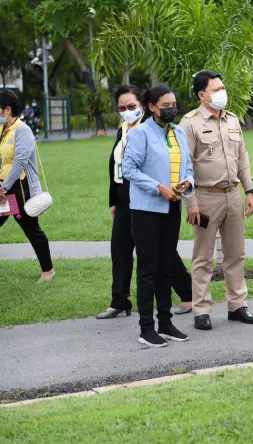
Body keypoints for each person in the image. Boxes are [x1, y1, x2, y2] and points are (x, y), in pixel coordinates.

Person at [98, 85, 193, 319]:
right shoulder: (124, 130)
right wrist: (113, 200)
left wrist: (179, 185)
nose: (127, 111)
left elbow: (181, 165)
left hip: (149, 197)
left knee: (160, 252)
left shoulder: (155, 130)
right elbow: (116, 167)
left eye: (131, 106)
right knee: (120, 249)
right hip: (125, 198)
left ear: (144, 106)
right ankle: (120, 299)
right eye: (122, 108)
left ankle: (186, 292)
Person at [179, 70, 253, 331]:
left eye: (222, 88)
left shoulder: (232, 119)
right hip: (205, 197)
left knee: (236, 254)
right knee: (203, 257)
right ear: (201, 95)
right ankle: (201, 310)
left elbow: (242, 157)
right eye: (215, 90)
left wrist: (249, 191)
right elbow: (184, 166)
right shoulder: (189, 123)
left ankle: (237, 305)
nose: (221, 93)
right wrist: (191, 202)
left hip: (233, 195)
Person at [122, 85, 195, 348]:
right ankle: (146, 328)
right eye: (166, 105)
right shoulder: (140, 133)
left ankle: (165, 323)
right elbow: (129, 169)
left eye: (174, 104)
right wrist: (158, 188)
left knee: (166, 268)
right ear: (152, 107)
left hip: (172, 208)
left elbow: (188, 167)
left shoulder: (179, 133)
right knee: (148, 270)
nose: (172, 109)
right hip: (146, 211)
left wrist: (187, 183)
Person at [0, 89, 55, 282]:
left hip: (19, 189)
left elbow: (20, 163)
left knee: (32, 229)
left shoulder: (22, 130)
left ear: (7, 110)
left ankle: (48, 271)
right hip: (4, 187)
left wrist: (4, 188)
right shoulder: (3, 129)